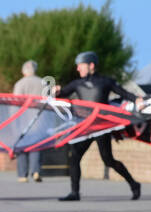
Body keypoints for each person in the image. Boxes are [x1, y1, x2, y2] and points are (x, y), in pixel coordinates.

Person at [52, 52, 142, 201]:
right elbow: (61, 95)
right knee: (74, 157)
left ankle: (134, 184)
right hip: (86, 127)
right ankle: (75, 193)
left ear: (91, 65)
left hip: (101, 126)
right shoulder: (77, 84)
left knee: (108, 160)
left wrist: (137, 100)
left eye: (81, 65)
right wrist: (56, 92)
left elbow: (124, 93)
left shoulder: (106, 82)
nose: (78, 69)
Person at [12, 60, 45, 182]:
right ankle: (35, 171)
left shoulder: (20, 83)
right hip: (38, 118)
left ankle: (22, 174)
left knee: (22, 145)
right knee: (36, 144)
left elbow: (15, 103)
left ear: (23, 71)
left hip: (23, 119)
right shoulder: (42, 82)